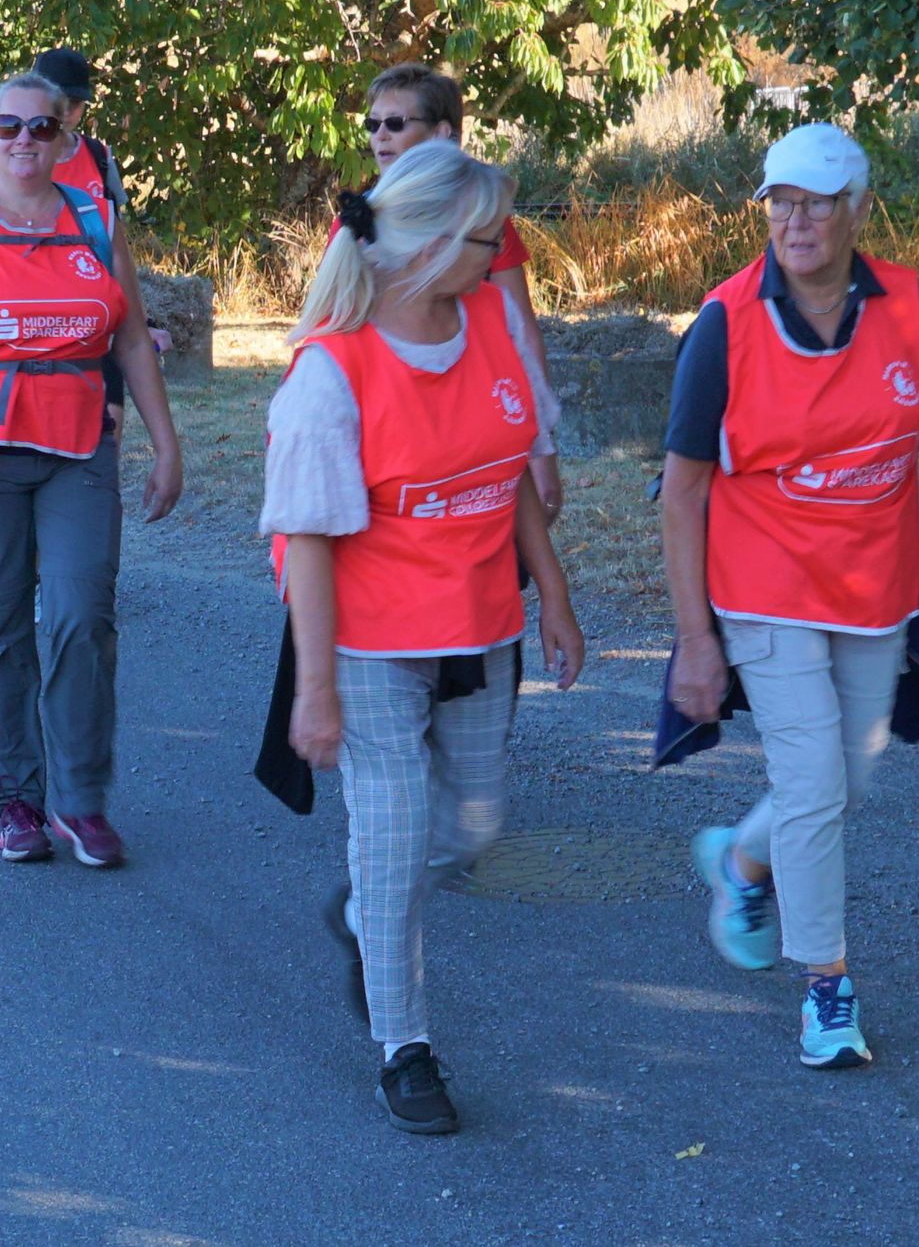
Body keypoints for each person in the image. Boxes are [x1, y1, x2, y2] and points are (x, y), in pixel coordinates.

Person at [662, 123, 919, 1071]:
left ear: (858, 209)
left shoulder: (905, 303)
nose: (795, 222)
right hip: (762, 587)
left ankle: (743, 859)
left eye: (816, 203)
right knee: (813, 784)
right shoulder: (725, 323)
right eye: (780, 203)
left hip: (875, 589)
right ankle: (826, 989)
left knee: (845, 779)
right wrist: (696, 639)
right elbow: (683, 489)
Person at [263, 140, 584, 1135]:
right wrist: (314, 690)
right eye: (489, 239)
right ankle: (404, 1048)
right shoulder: (331, 373)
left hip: (479, 626)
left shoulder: (488, 320)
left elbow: (506, 471)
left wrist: (554, 594)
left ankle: (362, 915)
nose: (502, 256)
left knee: (475, 827)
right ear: (431, 243)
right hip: (368, 642)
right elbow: (306, 541)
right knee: (394, 844)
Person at [0, 71, 184, 868]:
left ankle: (81, 802)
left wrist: (166, 444)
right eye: (7, 126)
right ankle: (16, 799)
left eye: (40, 128)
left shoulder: (96, 222)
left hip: (78, 449)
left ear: (65, 138)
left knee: (84, 617)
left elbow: (130, 338)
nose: (23, 140)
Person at [358, 62, 565, 518]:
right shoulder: (358, 221)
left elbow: (522, 330)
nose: (381, 136)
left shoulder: (484, 220)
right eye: (372, 125)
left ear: (441, 133)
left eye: (396, 123)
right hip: (396, 425)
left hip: (477, 412)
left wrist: (541, 447)